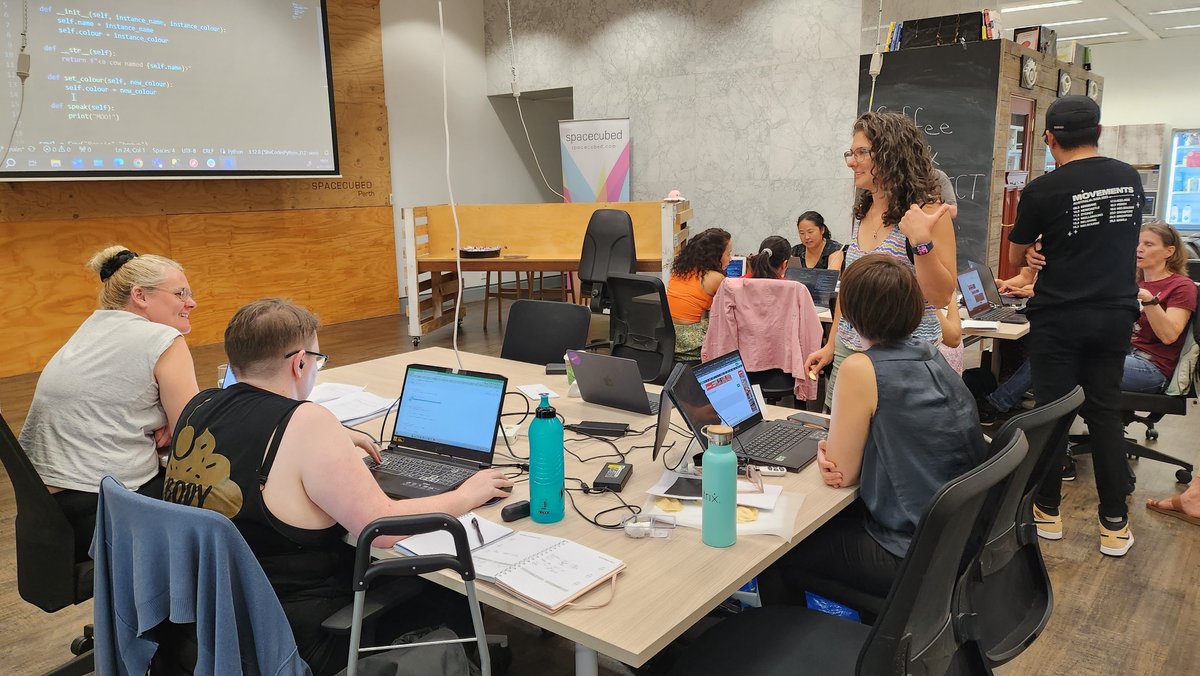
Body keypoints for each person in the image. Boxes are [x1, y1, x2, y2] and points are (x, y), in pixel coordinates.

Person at [161, 299, 513, 674]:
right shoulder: (306, 421)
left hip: (213, 622)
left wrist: (335, 439)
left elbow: (251, 437)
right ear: (299, 362)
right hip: (298, 639)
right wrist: (466, 494)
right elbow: (381, 529)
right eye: (316, 360)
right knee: (448, 595)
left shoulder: (201, 405)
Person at [762, 255, 987, 603]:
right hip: (958, 540)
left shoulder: (860, 368)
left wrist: (827, 448)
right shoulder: (930, 354)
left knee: (775, 544)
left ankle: (786, 640)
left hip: (909, 552)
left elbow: (842, 473)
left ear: (849, 313)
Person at [1009, 95, 1143, 557]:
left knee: (1053, 415)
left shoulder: (1044, 190)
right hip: (1114, 315)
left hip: (1060, 316)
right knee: (1106, 415)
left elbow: (1015, 256)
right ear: (1099, 132)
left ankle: (1047, 512)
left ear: (1049, 138)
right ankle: (1114, 525)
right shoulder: (1128, 178)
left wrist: (1031, 254)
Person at [20, 245, 200, 561]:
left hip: (48, 510)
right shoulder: (163, 340)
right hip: (99, 510)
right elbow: (194, 431)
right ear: (141, 295)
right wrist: (172, 421)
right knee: (220, 501)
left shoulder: (92, 327)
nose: (191, 302)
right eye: (180, 293)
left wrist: (168, 420)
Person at [804, 111, 958, 409]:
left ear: (891, 155)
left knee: (890, 445)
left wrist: (922, 244)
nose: (851, 161)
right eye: (851, 152)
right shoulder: (862, 211)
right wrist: (831, 344)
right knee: (840, 445)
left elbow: (940, 296)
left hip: (906, 358)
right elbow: (849, 288)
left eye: (862, 152)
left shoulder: (927, 211)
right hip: (850, 351)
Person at [666, 227, 733, 360]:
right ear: (716, 256)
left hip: (669, 334)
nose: (731, 259)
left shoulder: (680, 270)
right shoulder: (715, 278)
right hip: (689, 339)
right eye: (728, 254)